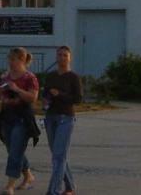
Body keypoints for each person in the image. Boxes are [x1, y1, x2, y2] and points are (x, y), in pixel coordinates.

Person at [0, 47, 40, 195]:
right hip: (6, 117)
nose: (10, 62)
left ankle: (10, 185)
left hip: (22, 118)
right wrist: (0, 91)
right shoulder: (5, 76)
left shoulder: (29, 77)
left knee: (15, 151)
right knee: (13, 148)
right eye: (9, 59)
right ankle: (28, 175)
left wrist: (17, 89)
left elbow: (33, 98)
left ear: (21, 60)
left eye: (13, 59)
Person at [41, 45, 83, 195]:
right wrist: (45, 101)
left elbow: (78, 99)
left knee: (59, 155)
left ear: (70, 58)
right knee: (57, 154)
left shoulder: (73, 77)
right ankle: (70, 186)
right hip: (51, 116)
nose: (62, 58)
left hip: (66, 117)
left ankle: (54, 190)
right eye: (60, 55)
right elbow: (45, 93)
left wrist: (60, 94)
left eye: (65, 55)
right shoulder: (51, 76)